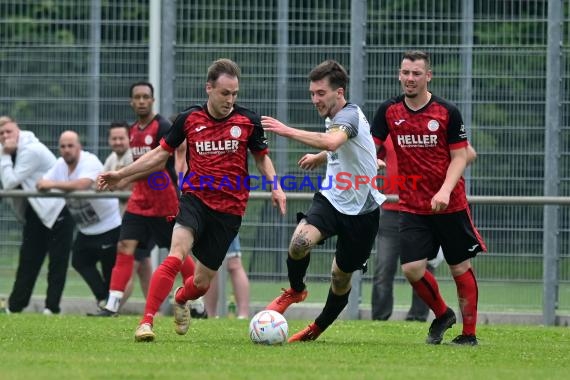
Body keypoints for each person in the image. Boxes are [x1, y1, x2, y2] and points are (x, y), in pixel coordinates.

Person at [97, 58, 286, 342]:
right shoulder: (189, 119)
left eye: (235, 94)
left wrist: (276, 186)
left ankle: (182, 298)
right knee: (175, 255)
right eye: (225, 93)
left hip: (230, 210)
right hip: (194, 199)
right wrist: (121, 175)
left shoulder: (248, 120)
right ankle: (146, 323)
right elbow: (160, 155)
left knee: (200, 284)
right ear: (208, 88)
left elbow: (262, 159)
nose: (230, 100)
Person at [261, 59, 385, 342]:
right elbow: (342, 145)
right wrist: (322, 157)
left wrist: (286, 130)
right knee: (299, 243)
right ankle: (295, 290)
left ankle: (316, 329)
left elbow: (333, 141)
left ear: (339, 93)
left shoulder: (349, 116)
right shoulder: (335, 117)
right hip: (331, 199)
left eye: (320, 93)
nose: (315, 99)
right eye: (312, 93)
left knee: (340, 277)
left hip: (362, 211)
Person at [371, 50, 486, 346]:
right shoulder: (389, 111)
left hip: (451, 205)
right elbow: (369, 147)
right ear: (399, 74)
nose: (410, 78)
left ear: (428, 76)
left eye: (416, 73)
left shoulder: (447, 111)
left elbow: (461, 157)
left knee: (459, 267)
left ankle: (469, 335)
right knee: (411, 269)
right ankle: (443, 314)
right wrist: (368, 160)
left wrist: (445, 190)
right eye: (405, 73)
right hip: (412, 206)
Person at [89, 81, 195, 317]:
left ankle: (196, 300)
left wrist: (124, 178)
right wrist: (126, 180)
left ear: (152, 100)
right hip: (139, 201)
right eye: (137, 97)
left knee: (177, 251)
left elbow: (159, 162)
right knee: (124, 246)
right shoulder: (133, 130)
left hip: (164, 201)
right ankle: (112, 304)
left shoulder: (162, 126)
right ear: (131, 101)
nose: (141, 101)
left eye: (145, 97)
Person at [372, 136, 477, 322]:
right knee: (383, 268)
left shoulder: (433, 126)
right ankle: (379, 318)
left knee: (423, 266)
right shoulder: (388, 127)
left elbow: (468, 154)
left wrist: (440, 178)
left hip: (422, 210)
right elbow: (369, 154)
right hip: (391, 210)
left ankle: (418, 317)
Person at [36, 131, 121, 311]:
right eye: (63, 146)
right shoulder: (60, 165)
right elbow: (41, 183)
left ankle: (110, 306)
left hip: (109, 224)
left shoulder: (89, 161)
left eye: (70, 146)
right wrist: (49, 183)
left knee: (110, 271)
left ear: (79, 147)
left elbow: (82, 184)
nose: (66, 150)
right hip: (86, 229)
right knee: (79, 261)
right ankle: (103, 299)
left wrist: (53, 185)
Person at [0, 116, 75, 315]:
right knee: (28, 261)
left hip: (58, 210)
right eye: (1, 134)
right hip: (36, 211)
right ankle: (14, 307)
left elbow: (9, 183)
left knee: (57, 263)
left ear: (18, 131)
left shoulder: (30, 150)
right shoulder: (6, 150)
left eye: (9, 131)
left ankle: (52, 308)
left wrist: (5, 155)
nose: (6, 136)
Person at [102, 121, 153, 307]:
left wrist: (118, 181)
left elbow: (125, 184)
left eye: (121, 138)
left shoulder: (136, 156)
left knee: (131, 264)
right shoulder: (112, 159)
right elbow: (102, 182)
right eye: (113, 138)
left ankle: (113, 307)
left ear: (129, 138)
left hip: (144, 218)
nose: (117, 142)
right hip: (132, 217)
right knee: (144, 266)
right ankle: (154, 309)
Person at [203, 234, 250, 319]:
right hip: (208, 222)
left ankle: (243, 314)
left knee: (234, 263)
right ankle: (209, 315)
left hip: (225, 222)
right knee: (210, 264)